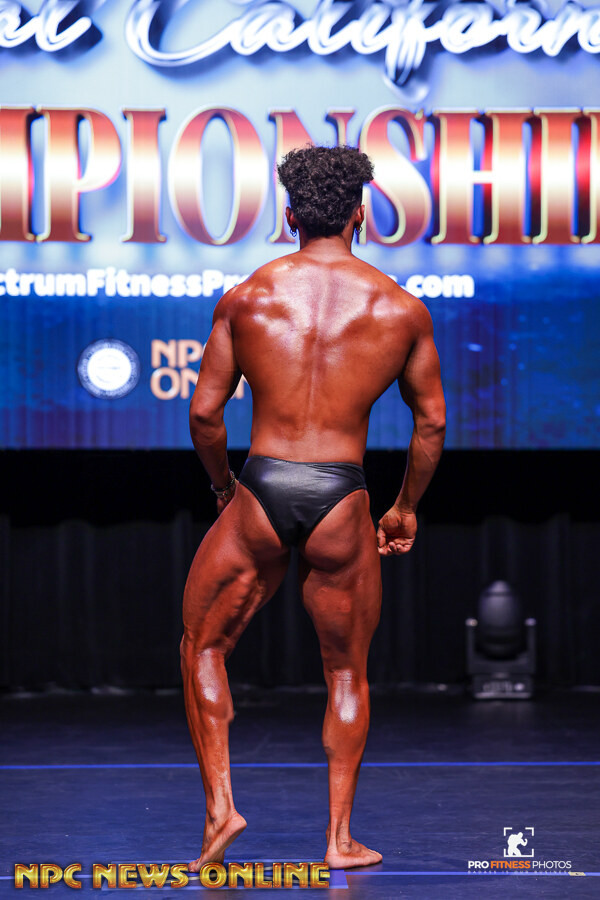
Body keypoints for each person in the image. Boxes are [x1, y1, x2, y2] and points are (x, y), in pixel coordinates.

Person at [181, 145, 446, 871]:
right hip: (342, 495)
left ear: (290, 215)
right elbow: (431, 424)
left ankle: (220, 810)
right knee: (346, 672)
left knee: (203, 646)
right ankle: (338, 840)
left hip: (262, 485)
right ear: (362, 215)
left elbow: (205, 415)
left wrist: (224, 488)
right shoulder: (400, 309)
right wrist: (404, 508)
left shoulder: (248, 298)